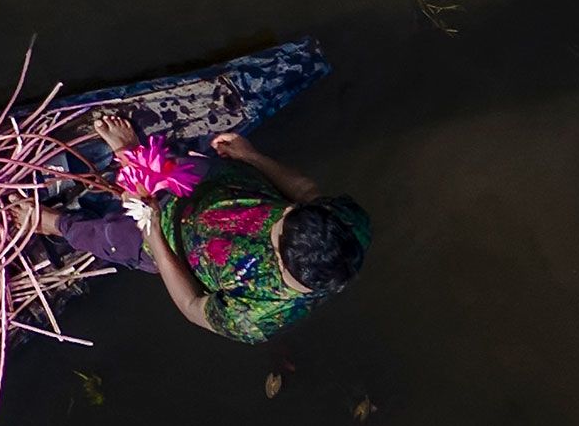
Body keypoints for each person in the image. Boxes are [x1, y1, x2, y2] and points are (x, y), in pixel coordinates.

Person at [32, 111, 372, 345]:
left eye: (275, 228)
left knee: (110, 237)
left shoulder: (256, 316)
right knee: (168, 166)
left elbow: (192, 306)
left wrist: (153, 230)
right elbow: (307, 192)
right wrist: (252, 156)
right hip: (222, 186)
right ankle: (133, 155)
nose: (270, 217)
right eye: (287, 212)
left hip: (172, 242)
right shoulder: (347, 225)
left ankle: (51, 223)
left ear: (282, 263)